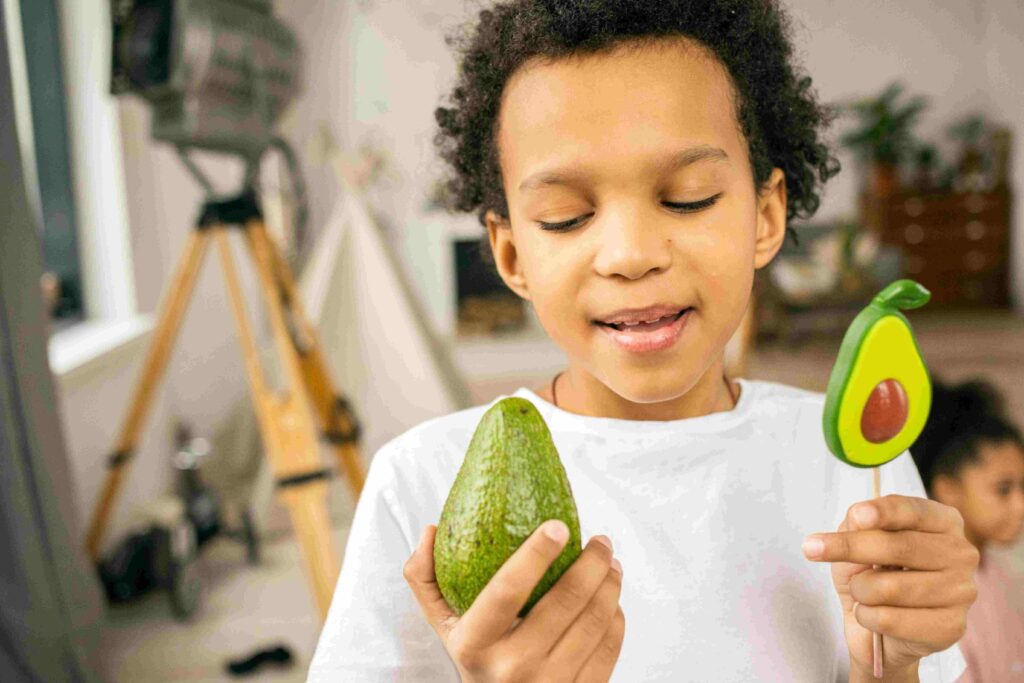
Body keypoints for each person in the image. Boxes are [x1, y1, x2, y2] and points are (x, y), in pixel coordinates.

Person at [308, 1, 977, 680]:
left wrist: (893, 667)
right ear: (511, 256)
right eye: (566, 217)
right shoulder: (419, 485)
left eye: (687, 198)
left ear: (766, 217)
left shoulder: (855, 459)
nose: (630, 255)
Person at [911, 378, 1024, 681]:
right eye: (1003, 490)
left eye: (1022, 488)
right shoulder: (926, 590)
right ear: (947, 488)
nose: (1020, 506)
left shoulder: (999, 575)